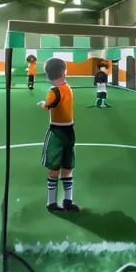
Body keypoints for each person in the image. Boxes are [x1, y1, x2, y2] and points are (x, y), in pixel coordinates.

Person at [37, 57, 80, 213]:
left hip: (57, 132)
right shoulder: (67, 88)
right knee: (67, 167)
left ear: (48, 76)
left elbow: (48, 106)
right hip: (68, 131)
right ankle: (66, 201)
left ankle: (52, 202)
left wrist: (42, 104)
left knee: (55, 167)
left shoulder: (53, 92)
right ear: (64, 72)